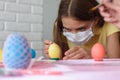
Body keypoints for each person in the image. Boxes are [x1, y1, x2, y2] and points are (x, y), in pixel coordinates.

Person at [44, 0, 120, 60]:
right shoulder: (61, 26)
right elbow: (64, 60)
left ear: (95, 20)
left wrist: (92, 56)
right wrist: (55, 55)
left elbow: (115, 62)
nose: (74, 35)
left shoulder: (109, 25)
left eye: (81, 29)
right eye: (68, 29)